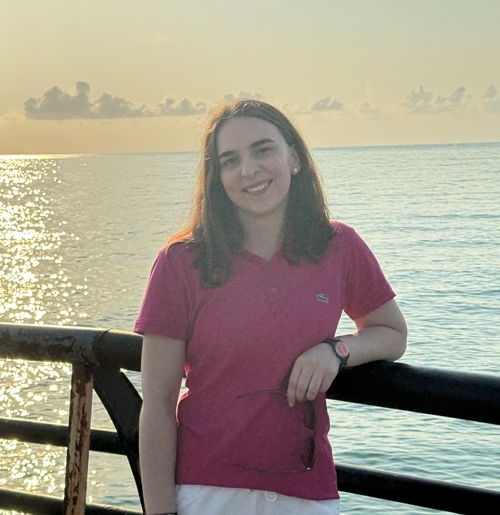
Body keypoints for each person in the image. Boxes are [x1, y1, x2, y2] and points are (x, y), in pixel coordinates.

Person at [134, 99, 407, 515]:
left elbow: (391, 332)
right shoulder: (180, 262)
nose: (248, 170)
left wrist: (335, 351)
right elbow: (156, 404)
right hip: (206, 493)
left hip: (308, 495)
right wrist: (160, 513)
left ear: (293, 159)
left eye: (262, 150)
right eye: (230, 160)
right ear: (217, 178)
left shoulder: (339, 246)